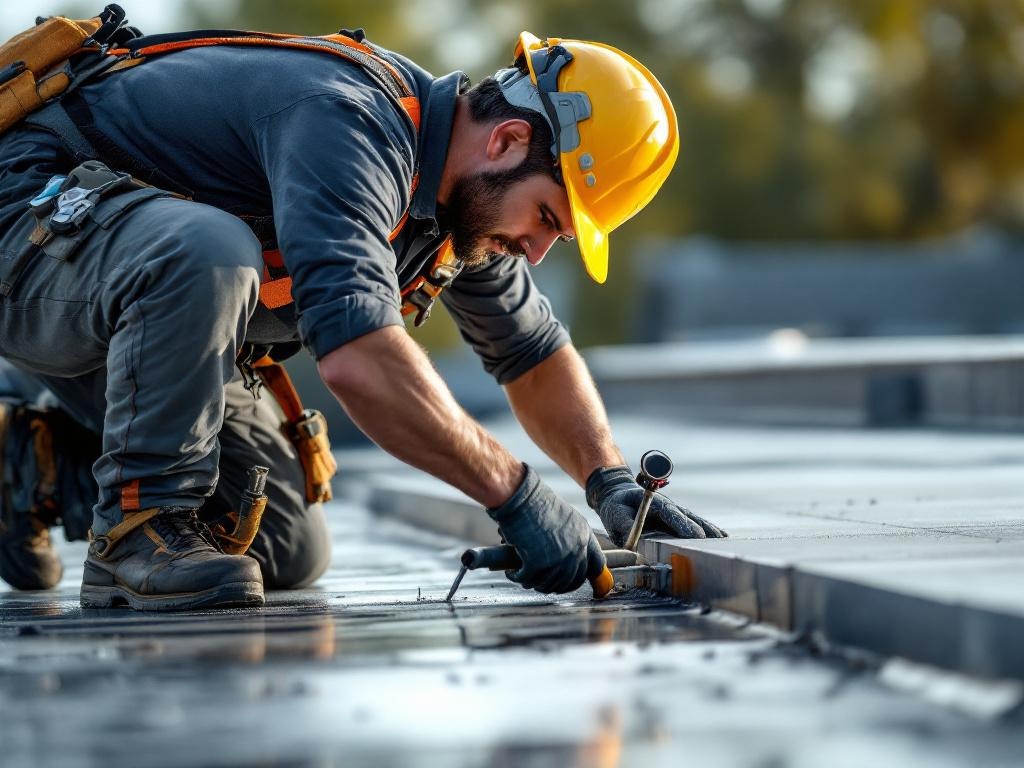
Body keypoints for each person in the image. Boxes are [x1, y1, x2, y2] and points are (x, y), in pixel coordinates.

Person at [0, 21, 725, 611]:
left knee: (280, 542)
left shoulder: (462, 203)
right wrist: (515, 494)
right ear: (506, 141)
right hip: (26, 222)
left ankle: (29, 466)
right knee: (208, 250)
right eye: (545, 217)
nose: (535, 251)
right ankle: (139, 530)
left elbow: (530, 353)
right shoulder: (352, 125)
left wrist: (608, 481)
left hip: (126, 310)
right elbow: (358, 360)